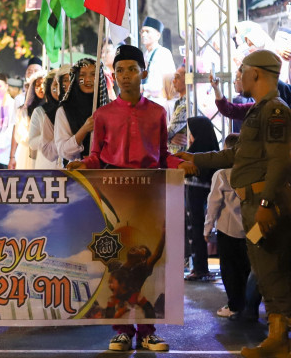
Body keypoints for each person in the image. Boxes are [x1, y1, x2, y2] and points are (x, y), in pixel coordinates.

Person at [178, 50, 291, 358]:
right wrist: (194, 159)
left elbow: (279, 161)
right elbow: (237, 156)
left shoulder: (274, 112)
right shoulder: (258, 111)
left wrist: (265, 202)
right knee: (265, 271)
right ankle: (277, 337)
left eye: (241, 71)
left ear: (257, 74)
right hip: (254, 203)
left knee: (277, 272)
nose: (237, 77)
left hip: (270, 205)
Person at [68, 45, 196, 352]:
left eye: (132, 69)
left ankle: (148, 330)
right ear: (114, 76)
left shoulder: (157, 113)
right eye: (120, 70)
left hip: (149, 194)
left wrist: (182, 163)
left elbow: (163, 155)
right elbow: (96, 156)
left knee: (150, 262)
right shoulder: (103, 115)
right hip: (115, 194)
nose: (126, 76)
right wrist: (83, 165)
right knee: (118, 264)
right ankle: (122, 329)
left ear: (144, 73)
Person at [205, 134, 249, 320]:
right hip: (249, 230)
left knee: (229, 270)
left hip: (227, 230)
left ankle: (233, 306)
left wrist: (207, 229)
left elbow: (213, 204)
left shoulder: (221, 174)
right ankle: (249, 305)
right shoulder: (250, 173)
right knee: (246, 269)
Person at [184, 116, 219, 282]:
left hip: (194, 193)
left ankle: (199, 268)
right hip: (208, 194)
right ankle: (200, 268)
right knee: (201, 229)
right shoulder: (212, 149)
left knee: (195, 229)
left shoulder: (193, 153)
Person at [55, 59, 106, 164]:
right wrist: (85, 129)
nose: (88, 79)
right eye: (82, 75)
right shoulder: (65, 110)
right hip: (77, 173)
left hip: (105, 173)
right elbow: (64, 151)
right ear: (76, 79)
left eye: (93, 74)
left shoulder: (108, 108)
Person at [27, 70, 63, 169]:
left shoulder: (72, 110)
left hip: (68, 167)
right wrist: (48, 135)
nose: (58, 89)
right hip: (46, 167)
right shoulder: (40, 112)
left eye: (61, 85)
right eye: (54, 86)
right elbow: (32, 143)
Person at [10, 71, 45, 169]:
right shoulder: (24, 111)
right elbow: (20, 136)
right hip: (26, 154)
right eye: (37, 85)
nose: (41, 88)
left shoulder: (54, 109)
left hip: (48, 154)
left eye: (44, 84)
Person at [140, 16, 177, 106]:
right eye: (142, 31)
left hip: (160, 103)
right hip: (146, 102)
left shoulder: (163, 53)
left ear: (158, 35)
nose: (143, 34)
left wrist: (143, 88)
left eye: (147, 31)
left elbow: (168, 82)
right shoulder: (145, 55)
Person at [167, 66, 188, 154]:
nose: (174, 81)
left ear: (188, 79)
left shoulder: (186, 105)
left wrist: (169, 137)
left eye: (177, 77)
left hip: (181, 156)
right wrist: (170, 138)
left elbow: (169, 132)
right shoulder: (180, 102)